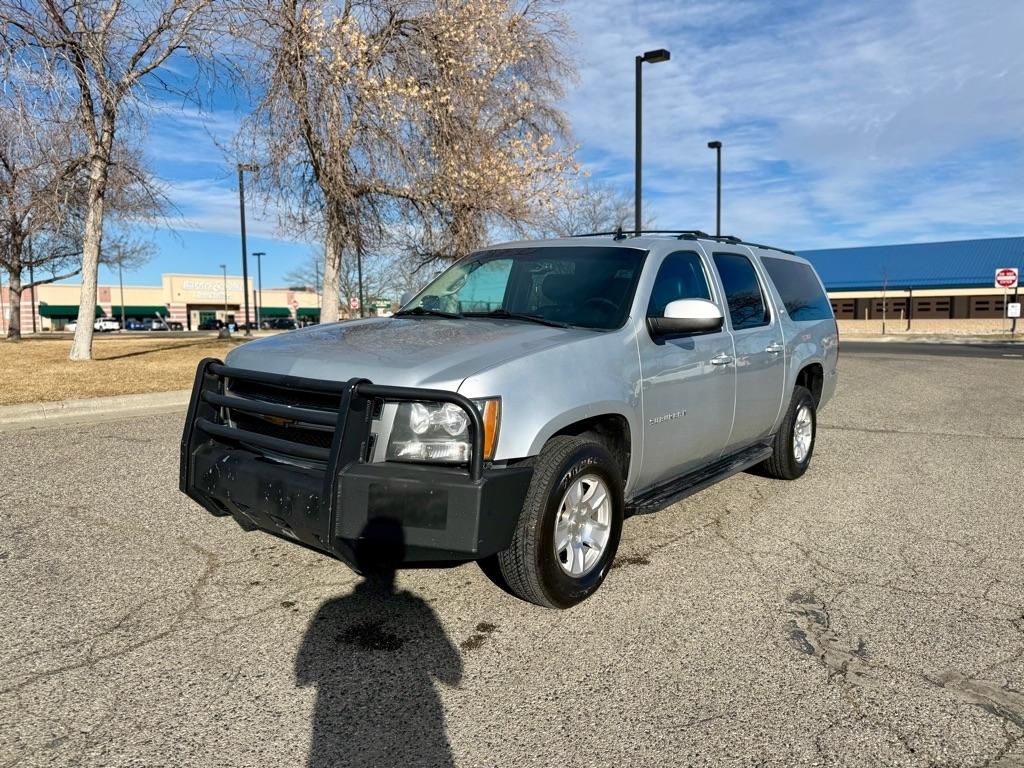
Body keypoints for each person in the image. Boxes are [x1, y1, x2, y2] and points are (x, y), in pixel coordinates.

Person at [296, 519, 463, 767]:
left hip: (344, 741)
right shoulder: (416, 608)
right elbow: (452, 673)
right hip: (414, 738)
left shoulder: (332, 609)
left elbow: (303, 674)